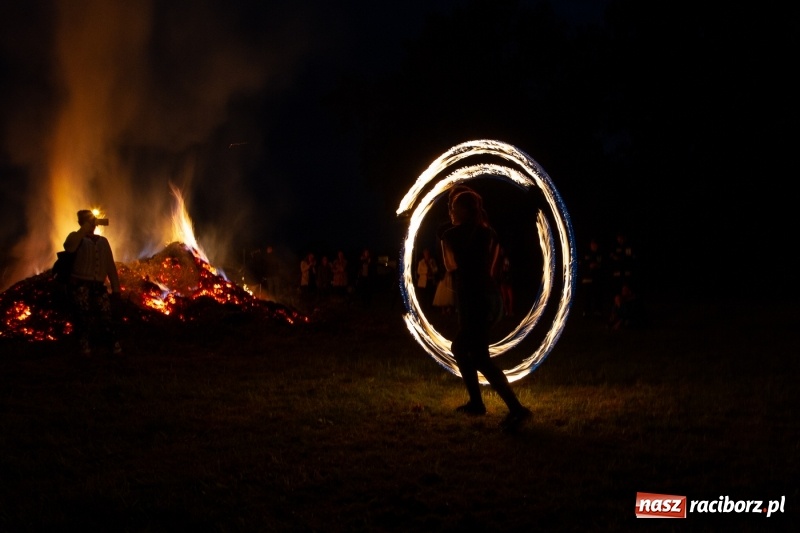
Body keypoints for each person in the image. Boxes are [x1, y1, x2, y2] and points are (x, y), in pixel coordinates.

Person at [441, 188, 532, 431]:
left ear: (464, 210)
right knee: (464, 349)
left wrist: (445, 240)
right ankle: (477, 403)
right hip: (486, 298)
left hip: (474, 300)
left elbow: (450, 266)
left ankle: (516, 409)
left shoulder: (452, 234)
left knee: (475, 354)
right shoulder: (485, 231)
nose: (450, 212)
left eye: (453, 208)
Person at [63, 209, 122, 356]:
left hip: (98, 286)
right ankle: (84, 347)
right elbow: (69, 247)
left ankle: (113, 346)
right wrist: (83, 229)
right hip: (80, 285)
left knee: (106, 315)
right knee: (82, 316)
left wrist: (116, 289)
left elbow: (110, 266)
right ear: (81, 222)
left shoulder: (103, 241)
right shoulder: (76, 237)